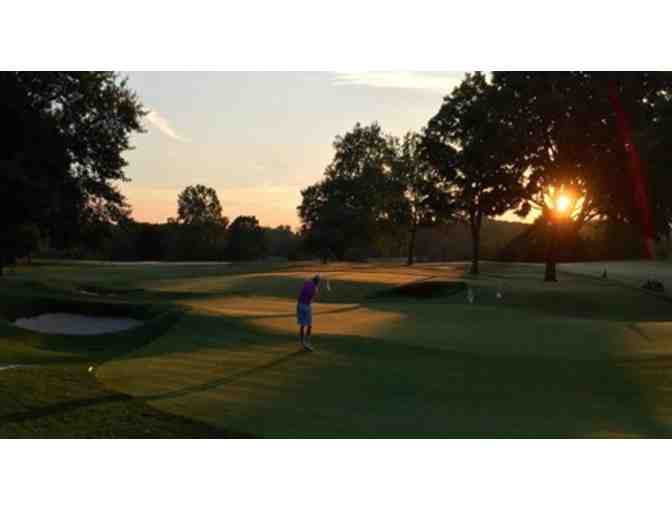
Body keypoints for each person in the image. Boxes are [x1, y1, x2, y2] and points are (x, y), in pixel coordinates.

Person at [297, 274, 320, 351]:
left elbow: (306, 281)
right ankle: (307, 342)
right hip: (306, 306)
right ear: (317, 282)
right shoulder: (315, 289)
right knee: (309, 325)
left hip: (299, 304)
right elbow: (311, 300)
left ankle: (302, 343)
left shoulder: (307, 283)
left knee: (302, 325)